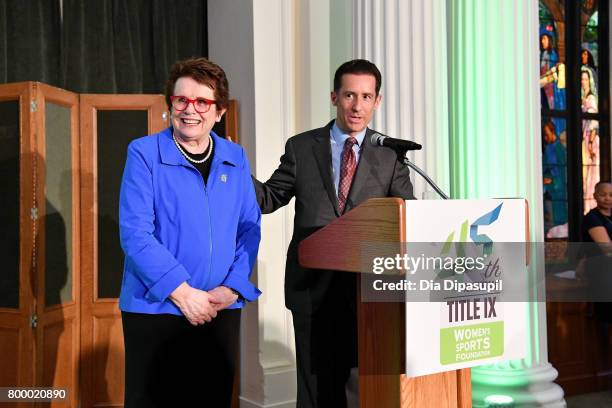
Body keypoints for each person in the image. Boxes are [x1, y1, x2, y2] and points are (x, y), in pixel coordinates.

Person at [253, 59, 415, 407]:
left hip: (368, 289)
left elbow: (406, 216)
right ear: (334, 96)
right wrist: (233, 166)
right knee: (315, 389)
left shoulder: (390, 155)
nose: (358, 106)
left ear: (377, 101)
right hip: (312, 286)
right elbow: (269, 198)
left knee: (363, 387)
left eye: (367, 97)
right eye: (350, 95)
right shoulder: (301, 147)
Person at [118, 57, 261, 408]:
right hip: (158, 310)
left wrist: (231, 288)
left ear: (219, 111)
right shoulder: (144, 153)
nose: (189, 110)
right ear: (170, 104)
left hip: (219, 308)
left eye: (202, 102)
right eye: (181, 100)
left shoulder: (236, 157)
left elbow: (249, 229)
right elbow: (135, 233)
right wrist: (182, 293)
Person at [581, 66, 600, 211]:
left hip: (590, 140)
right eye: (582, 79)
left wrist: (591, 142)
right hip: (584, 137)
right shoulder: (584, 98)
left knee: (590, 173)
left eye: (586, 79)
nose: (583, 82)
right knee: (584, 173)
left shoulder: (591, 98)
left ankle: (590, 206)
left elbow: (594, 121)